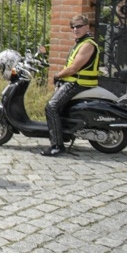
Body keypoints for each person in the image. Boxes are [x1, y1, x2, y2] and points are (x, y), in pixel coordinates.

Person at [42, 15, 100, 157]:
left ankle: (57, 145)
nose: (75, 29)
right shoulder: (80, 43)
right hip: (75, 81)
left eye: (79, 26)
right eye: (73, 27)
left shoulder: (87, 45)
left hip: (79, 83)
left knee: (51, 107)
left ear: (87, 27)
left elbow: (73, 68)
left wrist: (57, 76)